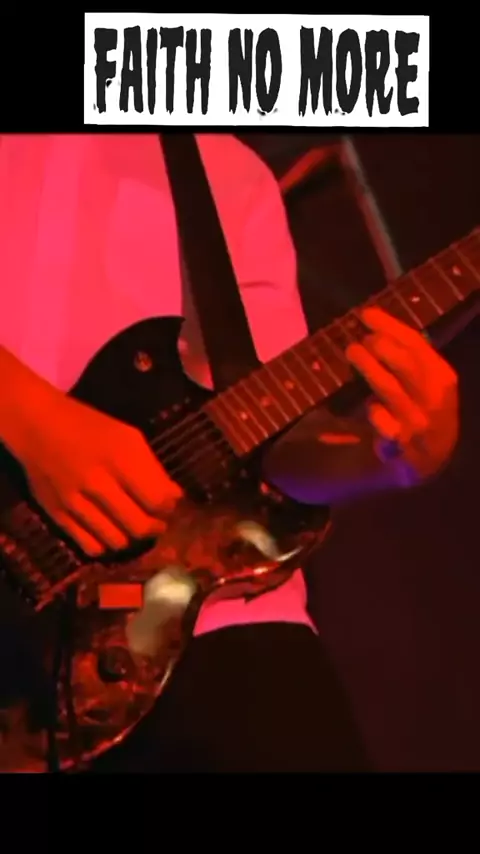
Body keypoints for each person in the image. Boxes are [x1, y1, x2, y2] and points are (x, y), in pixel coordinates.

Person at [0, 133, 458, 773]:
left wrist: (387, 457)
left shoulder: (225, 170)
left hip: (213, 622)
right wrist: (31, 420)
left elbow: (265, 435)